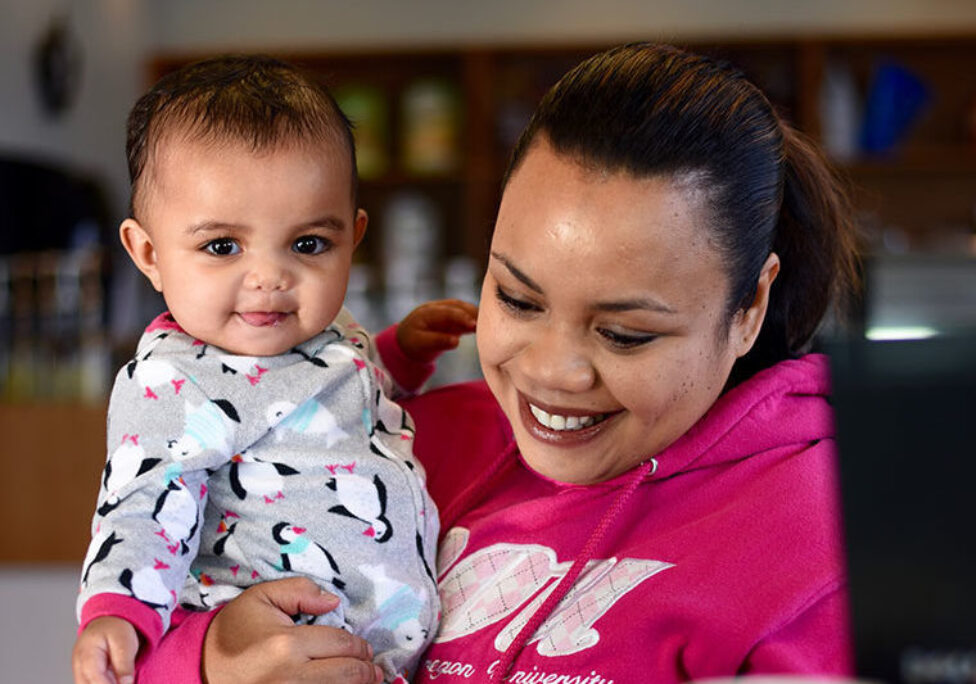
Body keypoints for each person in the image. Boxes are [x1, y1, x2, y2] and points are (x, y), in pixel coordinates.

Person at [136, 42, 861, 683]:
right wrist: (206, 659)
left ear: (749, 308)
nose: (553, 372)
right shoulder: (399, 441)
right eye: (518, 299)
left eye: (626, 335)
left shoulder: (829, 540)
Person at [71, 55, 477, 684]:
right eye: (222, 246)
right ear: (148, 253)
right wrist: (118, 612)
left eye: (308, 244)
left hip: (378, 651)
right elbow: (142, 504)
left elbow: (351, 392)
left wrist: (402, 352)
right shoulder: (174, 381)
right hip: (277, 650)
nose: (270, 278)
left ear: (353, 239)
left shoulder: (332, 337)